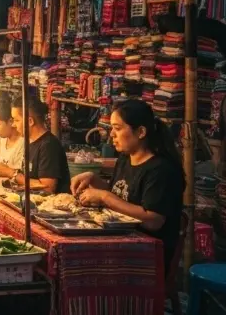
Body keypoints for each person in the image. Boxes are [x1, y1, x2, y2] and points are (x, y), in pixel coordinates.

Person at [73, 100, 184, 269]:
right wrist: (94, 180)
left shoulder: (161, 170)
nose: (111, 135)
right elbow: (123, 196)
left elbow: (153, 220)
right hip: (120, 241)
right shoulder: (125, 158)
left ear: (140, 132)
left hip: (147, 257)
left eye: (117, 128)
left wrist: (104, 197)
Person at [11, 97, 70, 194]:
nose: (13, 125)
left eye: (16, 120)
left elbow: (47, 188)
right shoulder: (31, 143)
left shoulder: (49, 146)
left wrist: (12, 174)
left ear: (30, 121)